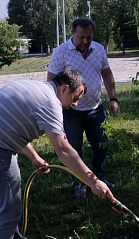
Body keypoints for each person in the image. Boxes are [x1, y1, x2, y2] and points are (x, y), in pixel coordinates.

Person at [0, 70, 114, 239]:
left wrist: (34, 156)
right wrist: (93, 181)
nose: (75, 104)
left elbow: (12, 127)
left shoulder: (36, 88)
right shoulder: (50, 102)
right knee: (8, 209)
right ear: (64, 88)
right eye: (75, 98)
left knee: (10, 204)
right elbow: (64, 150)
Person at [47, 18, 119, 198]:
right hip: (71, 112)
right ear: (73, 33)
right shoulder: (61, 52)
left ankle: (99, 178)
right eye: (81, 37)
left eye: (89, 37)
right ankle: (79, 183)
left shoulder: (99, 49)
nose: (85, 41)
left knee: (102, 145)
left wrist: (113, 98)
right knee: (73, 148)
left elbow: (107, 75)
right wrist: (57, 107)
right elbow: (51, 82)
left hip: (96, 108)